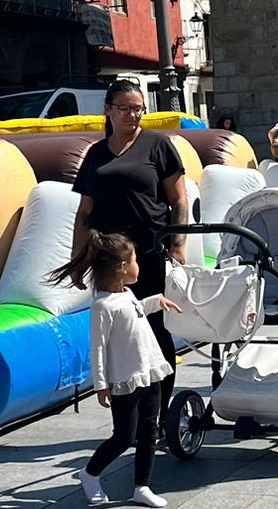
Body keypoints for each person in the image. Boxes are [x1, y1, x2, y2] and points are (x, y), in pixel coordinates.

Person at [72, 78, 190, 413]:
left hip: (149, 255)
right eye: (124, 108)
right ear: (108, 110)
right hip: (109, 258)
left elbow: (179, 200)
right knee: (116, 334)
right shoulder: (95, 154)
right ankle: (128, 413)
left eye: (138, 109)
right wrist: (78, 258)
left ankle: (159, 413)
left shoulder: (158, 146)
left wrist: (177, 244)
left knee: (152, 328)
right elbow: (85, 212)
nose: (132, 115)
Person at [52, 231, 183, 508]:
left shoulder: (126, 293)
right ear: (122, 267)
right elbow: (97, 348)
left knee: (149, 431)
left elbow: (133, 312)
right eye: (134, 259)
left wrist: (155, 302)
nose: (138, 264)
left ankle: (142, 487)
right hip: (125, 379)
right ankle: (90, 474)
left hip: (149, 370)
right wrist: (100, 384)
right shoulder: (102, 306)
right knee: (124, 437)